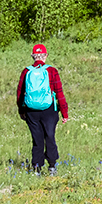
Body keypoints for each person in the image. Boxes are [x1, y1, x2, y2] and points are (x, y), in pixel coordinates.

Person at [16, 43, 69, 175]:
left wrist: (21, 110)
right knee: (50, 136)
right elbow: (59, 93)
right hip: (49, 110)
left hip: (31, 110)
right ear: (45, 56)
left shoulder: (26, 71)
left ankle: (37, 168)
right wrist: (64, 113)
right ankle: (52, 166)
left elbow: (20, 93)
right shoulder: (52, 71)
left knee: (37, 139)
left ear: (33, 56)